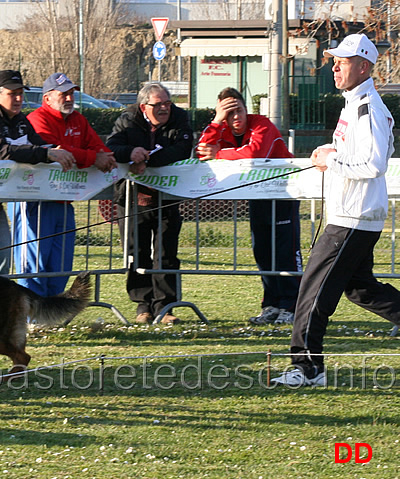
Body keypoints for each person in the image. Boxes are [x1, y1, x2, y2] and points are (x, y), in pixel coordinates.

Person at [271, 34, 400, 387]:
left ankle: (308, 369)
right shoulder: (355, 102)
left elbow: (373, 164)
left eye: (342, 61)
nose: (335, 67)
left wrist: (333, 160)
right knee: (360, 289)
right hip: (356, 215)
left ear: (364, 66)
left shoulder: (368, 107)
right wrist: (331, 151)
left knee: (312, 293)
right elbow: (368, 152)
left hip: (351, 218)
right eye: (335, 61)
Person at [0, 70, 75, 285]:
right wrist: (47, 153)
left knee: (2, 260)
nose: (19, 99)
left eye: (21, 93)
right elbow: (2, 152)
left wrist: (53, 151)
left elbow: (38, 144)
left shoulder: (18, 118)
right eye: (13, 94)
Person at [196, 87, 302, 326]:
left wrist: (219, 153)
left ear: (247, 110)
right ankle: (272, 304)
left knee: (285, 251)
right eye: (229, 113)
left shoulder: (263, 124)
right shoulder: (221, 127)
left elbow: (254, 154)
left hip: (283, 195)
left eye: (239, 110)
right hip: (257, 196)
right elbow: (202, 150)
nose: (236, 117)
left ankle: (292, 305)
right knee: (262, 252)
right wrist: (215, 122)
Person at [21, 72, 116, 296]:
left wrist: (101, 156)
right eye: (63, 94)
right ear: (47, 98)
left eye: (72, 93)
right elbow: (57, 149)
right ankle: (31, 313)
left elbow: (97, 147)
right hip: (37, 200)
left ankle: (52, 310)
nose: (69, 98)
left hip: (64, 200)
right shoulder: (37, 119)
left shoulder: (78, 119)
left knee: (61, 262)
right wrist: (93, 159)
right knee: (34, 262)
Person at [106, 82, 193, 325]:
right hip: (133, 197)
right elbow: (112, 146)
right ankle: (143, 306)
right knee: (136, 252)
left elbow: (183, 149)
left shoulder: (180, 118)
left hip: (166, 197)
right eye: (159, 104)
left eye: (168, 103)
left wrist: (149, 159)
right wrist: (132, 152)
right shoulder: (128, 119)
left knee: (167, 251)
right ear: (144, 106)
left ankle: (166, 306)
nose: (165, 108)